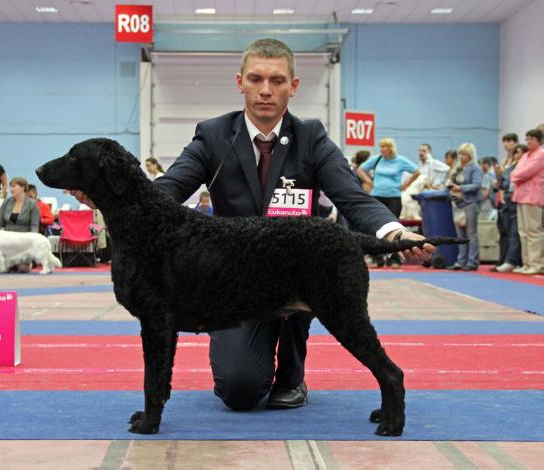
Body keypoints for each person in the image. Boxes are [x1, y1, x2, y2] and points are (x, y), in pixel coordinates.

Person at [70, 38, 433, 412]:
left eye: (276, 80)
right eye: (256, 78)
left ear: (293, 86)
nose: (265, 90)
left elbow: (352, 197)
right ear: (240, 81)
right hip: (233, 278)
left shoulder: (312, 138)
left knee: (313, 266)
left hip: (298, 267)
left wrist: (395, 232)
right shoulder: (212, 135)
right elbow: (168, 189)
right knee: (239, 391)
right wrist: (111, 195)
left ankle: (292, 374)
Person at [357, 138, 421, 268]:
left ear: (390, 148)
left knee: (394, 228)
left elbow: (416, 171)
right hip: (376, 196)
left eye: (384, 147)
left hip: (394, 197)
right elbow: (360, 169)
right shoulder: (377, 159)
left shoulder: (400, 160)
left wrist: (406, 184)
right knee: (375, 228)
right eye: (380, 147)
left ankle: (394, 259)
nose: (382, 150)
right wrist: (368, 181)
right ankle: (377, 259)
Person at [510, 129, 544, 275]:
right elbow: (515, 172)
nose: (529, 141)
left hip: (533, 196)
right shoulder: (525, 155)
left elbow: (525, 172)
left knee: (533, 231)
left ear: (539, 140)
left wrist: (517, 175)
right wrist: (518, 175)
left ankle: (536, 263)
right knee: (522, 231)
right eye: (527, 138)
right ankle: (527, 263)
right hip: (521, 196)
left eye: (532, 139)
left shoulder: (541, 154)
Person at [446, 143, 482, 271]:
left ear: (470, 155)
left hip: (470, 204)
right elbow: (452, 181)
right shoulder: (459, 168)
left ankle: (472, 262)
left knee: (471, 234)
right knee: (460, 235)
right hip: (458, 204)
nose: (461, 157)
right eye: (460, 154)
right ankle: (460, 261)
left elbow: (477, 185)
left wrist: (460, 188)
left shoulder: (475, 168)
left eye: (464, 154)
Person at [494, 144, 526, 272]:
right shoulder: (510, 168)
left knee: (515, 233)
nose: (518, 155)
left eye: (520, 153)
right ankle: (510, 260)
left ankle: (511, 261)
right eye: (516, 153)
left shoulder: (523, 169)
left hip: (516, 202)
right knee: (506, 233)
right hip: (505, 204)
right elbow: (501, 184)